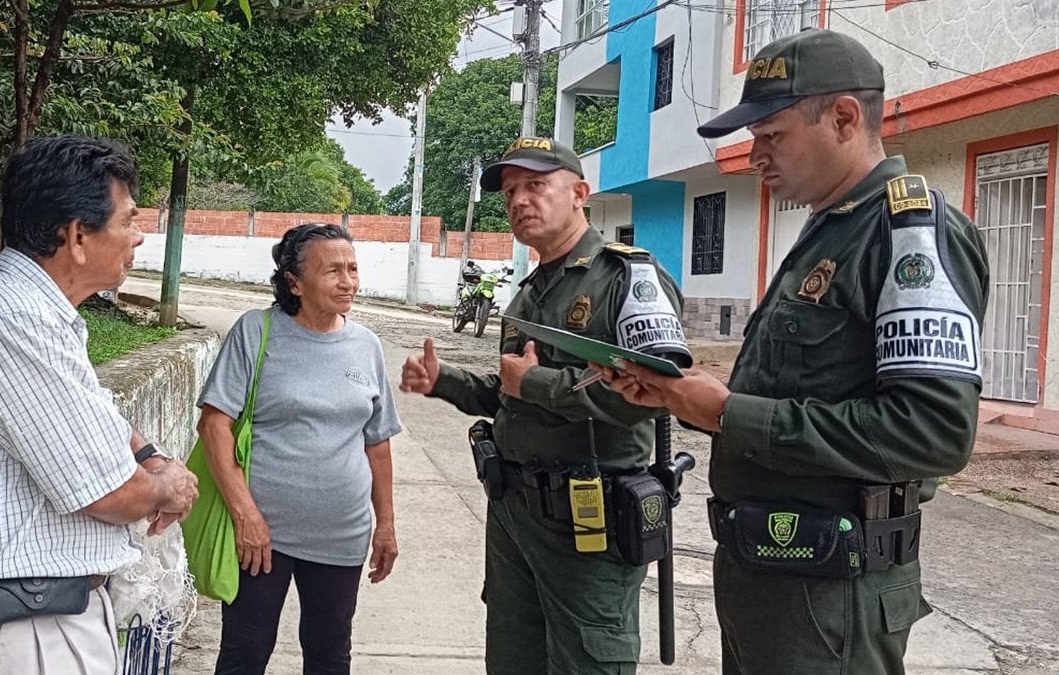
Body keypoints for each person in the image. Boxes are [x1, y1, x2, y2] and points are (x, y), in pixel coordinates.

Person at [594, 29, 989, 675]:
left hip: (831, 595)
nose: (756, 157)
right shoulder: (830, 231)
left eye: (771, 136)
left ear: (843, 118)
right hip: (774, 578)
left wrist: (730, 414)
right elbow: (805, 386)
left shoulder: (907, 233)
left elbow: (934, 432)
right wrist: (682, 394)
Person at [0, 134, 200, 674]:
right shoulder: (13, 321)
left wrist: (152, 459)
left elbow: (99, 416)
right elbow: (111, 495)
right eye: (127, 221)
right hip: (10, 634)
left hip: (27, 625)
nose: (138, 237)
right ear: (76, 236)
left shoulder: (35, 314)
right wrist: (167, 485)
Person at [400, 137, 693, 674]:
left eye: (535, 185)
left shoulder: (626, 279)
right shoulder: (532, 289)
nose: (518, 201)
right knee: (513, 659)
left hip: (588, 524)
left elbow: (654, 395)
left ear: (580, 192)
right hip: (515, 512)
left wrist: (537, 384)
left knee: (588, 661)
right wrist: (446, 380)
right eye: (510, 191)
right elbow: (510, 394)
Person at [196, 222, 402, 675]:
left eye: (352, 269)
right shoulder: (257, 331)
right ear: (294, 281)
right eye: (332, 271)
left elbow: (377, 442)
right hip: (262, 536)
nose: (348, 281)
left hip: (341, 535)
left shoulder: (366, 345)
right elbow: (214, 427)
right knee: (244, 654)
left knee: (330, 656)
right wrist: (245, 515)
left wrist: (385, 525)